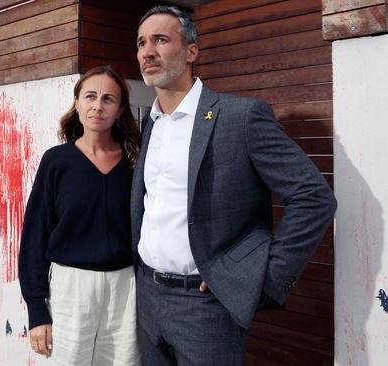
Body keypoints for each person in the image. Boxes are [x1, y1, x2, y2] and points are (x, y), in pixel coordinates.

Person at [131, 5, 337, 366]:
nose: (148, 51)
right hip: (147, 297)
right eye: (141, 43)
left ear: (191, 51)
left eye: (161, 40)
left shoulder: (240, 116)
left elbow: (313, 197)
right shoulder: (151, 123)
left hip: (205, 306)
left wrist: (263, 279)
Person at [18, 65, 141, 366]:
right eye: (90, 96)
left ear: (120, 108)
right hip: (70, 288)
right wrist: (36, 310)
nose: (98, 106)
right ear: (77, 102)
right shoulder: (57, 162)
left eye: (108, 99)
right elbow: (35, 236)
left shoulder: (135, 163)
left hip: (125, 288)